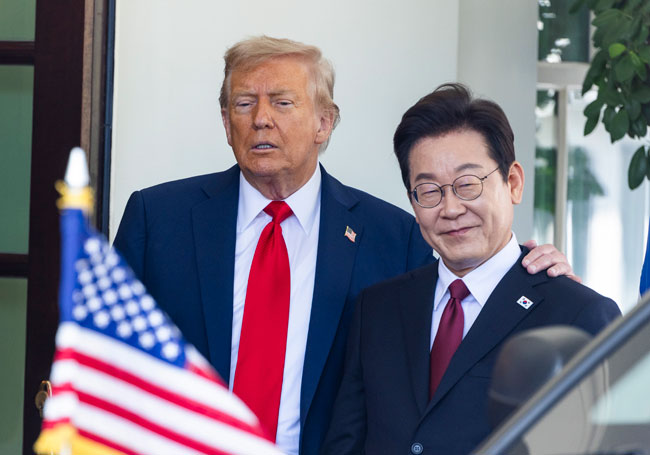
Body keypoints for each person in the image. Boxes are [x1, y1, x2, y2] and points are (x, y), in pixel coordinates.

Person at [113, 38, 575, 455]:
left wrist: (531, 272)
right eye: (243, 103)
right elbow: (107, 358)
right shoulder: (158, 220)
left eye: (282, 102)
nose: (261, 119)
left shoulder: (394, 236)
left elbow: (458, 320)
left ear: (324, 122)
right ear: (225, 121)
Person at [321, 83, 621, 455]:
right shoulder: (378, 309)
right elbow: (345, 444)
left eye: (467, 184)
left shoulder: (578, 314)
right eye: (429, 190)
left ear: (513, 183)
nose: (450, 209)